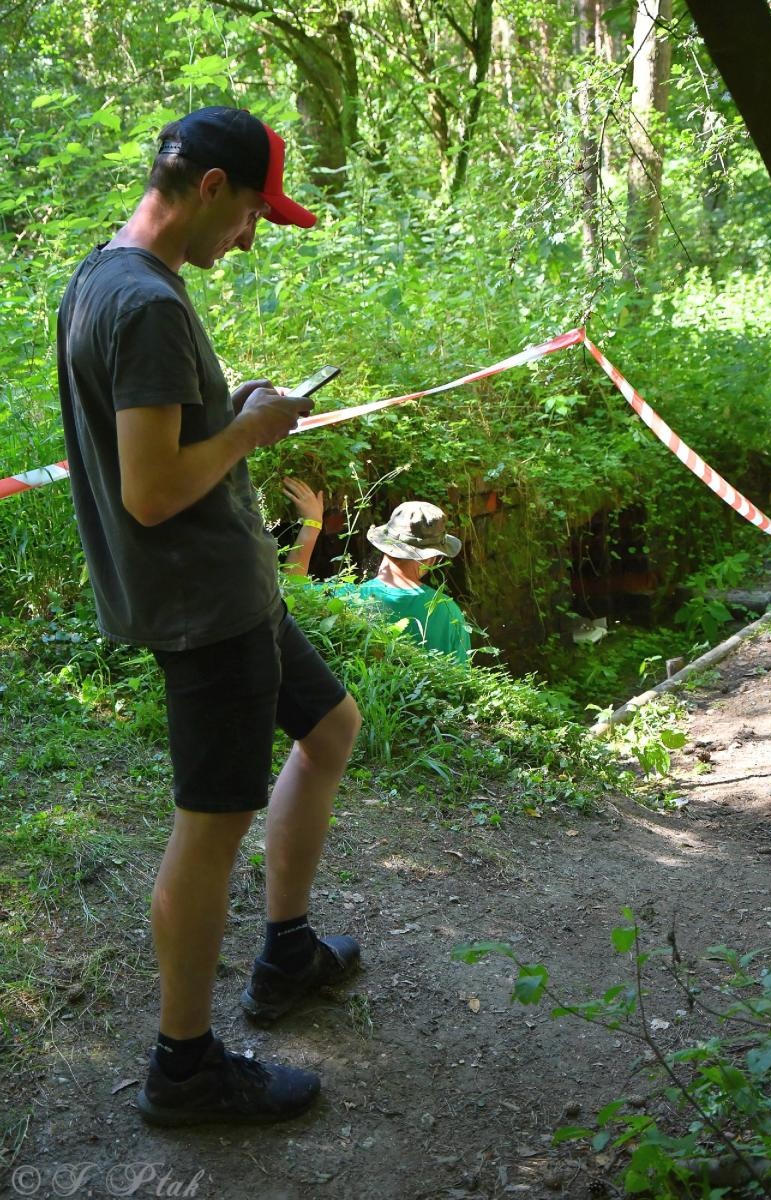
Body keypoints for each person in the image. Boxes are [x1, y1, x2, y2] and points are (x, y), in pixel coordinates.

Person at [57, 107, 362, 1127]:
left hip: (227, 592)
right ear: (212, 188)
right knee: (210, 826)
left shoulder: (109, 273)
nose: (249, 239)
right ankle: (183, 1066)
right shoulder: (143, 303)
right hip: (204, 611)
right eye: (251, 219)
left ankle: (286, 954)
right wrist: (252, 431)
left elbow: (166, 438)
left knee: (329, 729)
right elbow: (149, 489)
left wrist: (237, 410)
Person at [282, 478, 471, 664]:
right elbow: (461, 687)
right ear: (431, 559)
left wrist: (312, 523)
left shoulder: (344, 600)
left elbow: (290, 593)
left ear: (384, 545)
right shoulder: (450, 613)